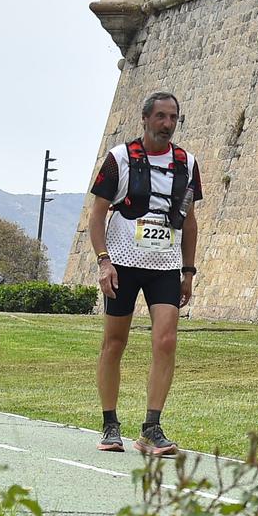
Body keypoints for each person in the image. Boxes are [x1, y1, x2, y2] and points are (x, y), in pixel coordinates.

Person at [86, 91, 202, 456]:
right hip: (122, 262)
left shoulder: (187, 163)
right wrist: (104, 261)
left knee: (166, 341)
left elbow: (191, 221)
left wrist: (188, 270)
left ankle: (151, 428)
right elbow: (97, 215)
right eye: (161, 117)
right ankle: (110, 423)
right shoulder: (120, 159)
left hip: (165, 265)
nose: (167, 124)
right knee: (114, 343)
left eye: (173, 118)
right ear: (146, 119)